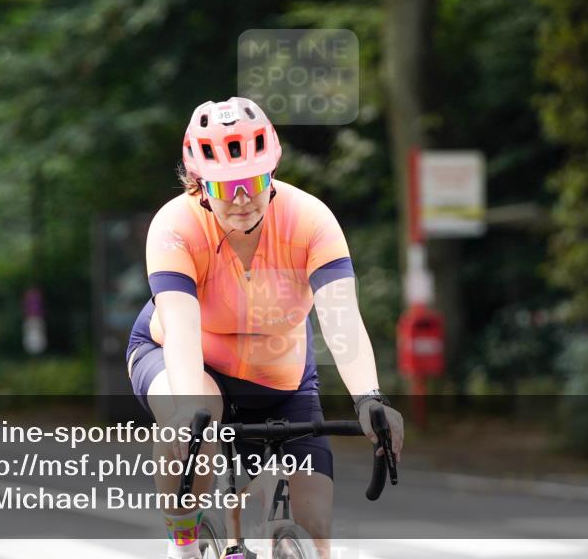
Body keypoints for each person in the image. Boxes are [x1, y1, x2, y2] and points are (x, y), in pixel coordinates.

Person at [125, 97, 404, 559]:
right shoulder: (174, 226)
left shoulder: (310, 220)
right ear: (198, 183)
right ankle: (184, 545)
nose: (240, 199)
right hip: (184, 354)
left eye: (252, 181)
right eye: (223, 186)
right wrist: (184, 413)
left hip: (279, 374)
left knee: (314, 523)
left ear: (272, 172)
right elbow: (179, 326)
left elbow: (341, 320)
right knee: (197, 421)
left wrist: (369, 399)